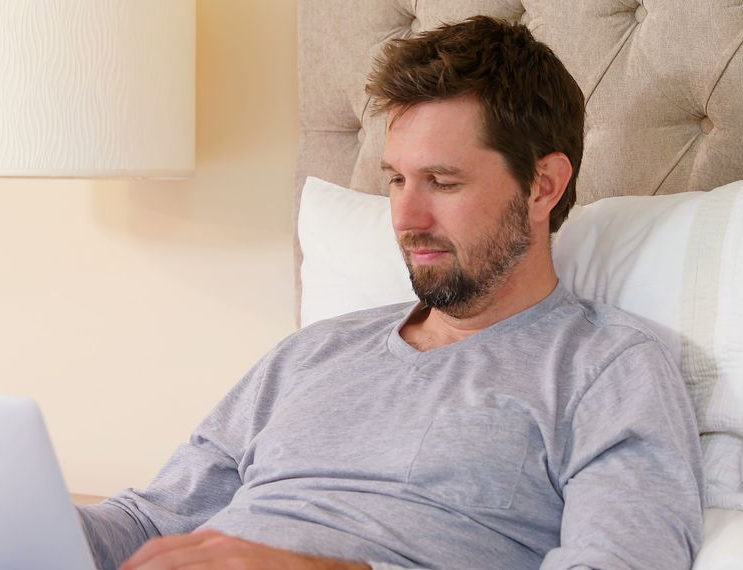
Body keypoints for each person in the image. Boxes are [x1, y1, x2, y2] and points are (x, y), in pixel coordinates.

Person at [79, 16, 704, 570]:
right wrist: (26, 516)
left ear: (543, 185)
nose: (405, 218)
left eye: (442, 181)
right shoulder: (312, 353)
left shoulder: (606, 367)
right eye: (397, 179)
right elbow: (148, 524)